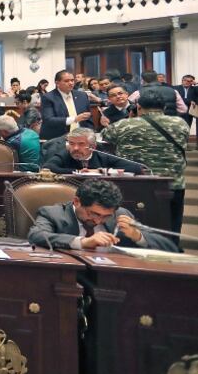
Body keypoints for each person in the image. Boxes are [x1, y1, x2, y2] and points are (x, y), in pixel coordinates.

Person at [102, 89, 189, 237]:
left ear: (138, 107)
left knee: (134, 224)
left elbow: (106, 136)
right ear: (164, 107)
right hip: (172, 184)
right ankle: (170, 247)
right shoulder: (180, 123)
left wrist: (129, 119)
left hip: (135, 184)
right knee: (170, 224)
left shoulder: (124, 125)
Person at [28, 179, 179, 252]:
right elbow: (36, 236)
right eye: (93, 213)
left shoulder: (120, 215)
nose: (98, 220)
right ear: (77, 202)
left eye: (106, 216)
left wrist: (138, 236)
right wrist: (83, 242)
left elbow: (170, 248)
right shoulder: (53, 213)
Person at [41, 127, 146, 174]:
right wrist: (78, 172)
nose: (75, 148)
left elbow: (136, 167)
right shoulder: (65, 154)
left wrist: (100, 171)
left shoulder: (102, 156)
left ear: (93, 147)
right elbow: (47, 168)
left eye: (81, 144)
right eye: (72, 144)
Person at [40, 70, 94, 140]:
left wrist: (90, 134)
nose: (71, 83)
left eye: (72, 80)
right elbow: (49, 120)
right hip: (57, 138)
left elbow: (88, 118)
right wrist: (74, 119)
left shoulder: (82, 95)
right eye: (66, 81)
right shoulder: (48, 97)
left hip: (81, 138)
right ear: (57, 83)